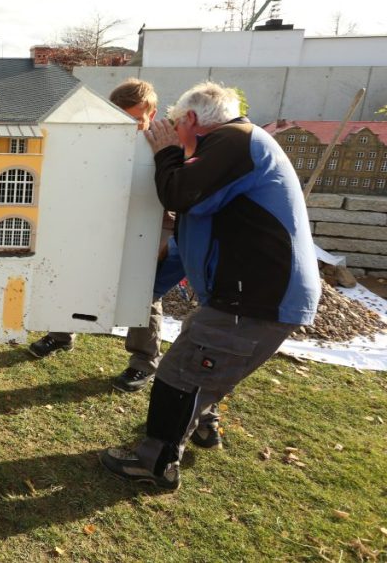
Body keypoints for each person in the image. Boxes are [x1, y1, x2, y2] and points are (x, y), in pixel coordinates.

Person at [99, 81, 320, 490]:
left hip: (252, 297)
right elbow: (208, 211)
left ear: (193, 120)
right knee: (204, 359)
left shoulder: (233, 140)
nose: (171, 131)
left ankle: (156, 462)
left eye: (176, 125)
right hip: (249, 293)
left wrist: (166, 152)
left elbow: (184, 194)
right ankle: (203, 426)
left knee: (180, 374)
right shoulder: (241, 144)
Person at [28, 78, 179, 393]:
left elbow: (173, 194)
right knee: (76, 278)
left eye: (137, 120)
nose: (130, 127)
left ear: (151, 115)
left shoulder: (163, 148)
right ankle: (61, 334)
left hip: (144, 235)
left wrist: (164, 232)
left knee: (144, 295)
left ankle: (144, 362)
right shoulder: (98, 140)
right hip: (97, 229)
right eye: (122, 118)